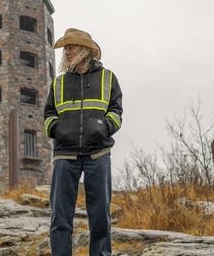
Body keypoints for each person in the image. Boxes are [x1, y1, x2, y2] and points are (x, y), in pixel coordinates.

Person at [44, 28, 123, 256]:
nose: (66, 51)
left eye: (72, 47)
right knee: (60, 217)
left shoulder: (108, 78)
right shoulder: (58, 83)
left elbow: (116, 111)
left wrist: (103, 127)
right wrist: (58, 130)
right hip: (64, 156)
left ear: (86, 51)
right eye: (65, 48)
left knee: (100, 216)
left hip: (98, 155)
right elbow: (48, 115)